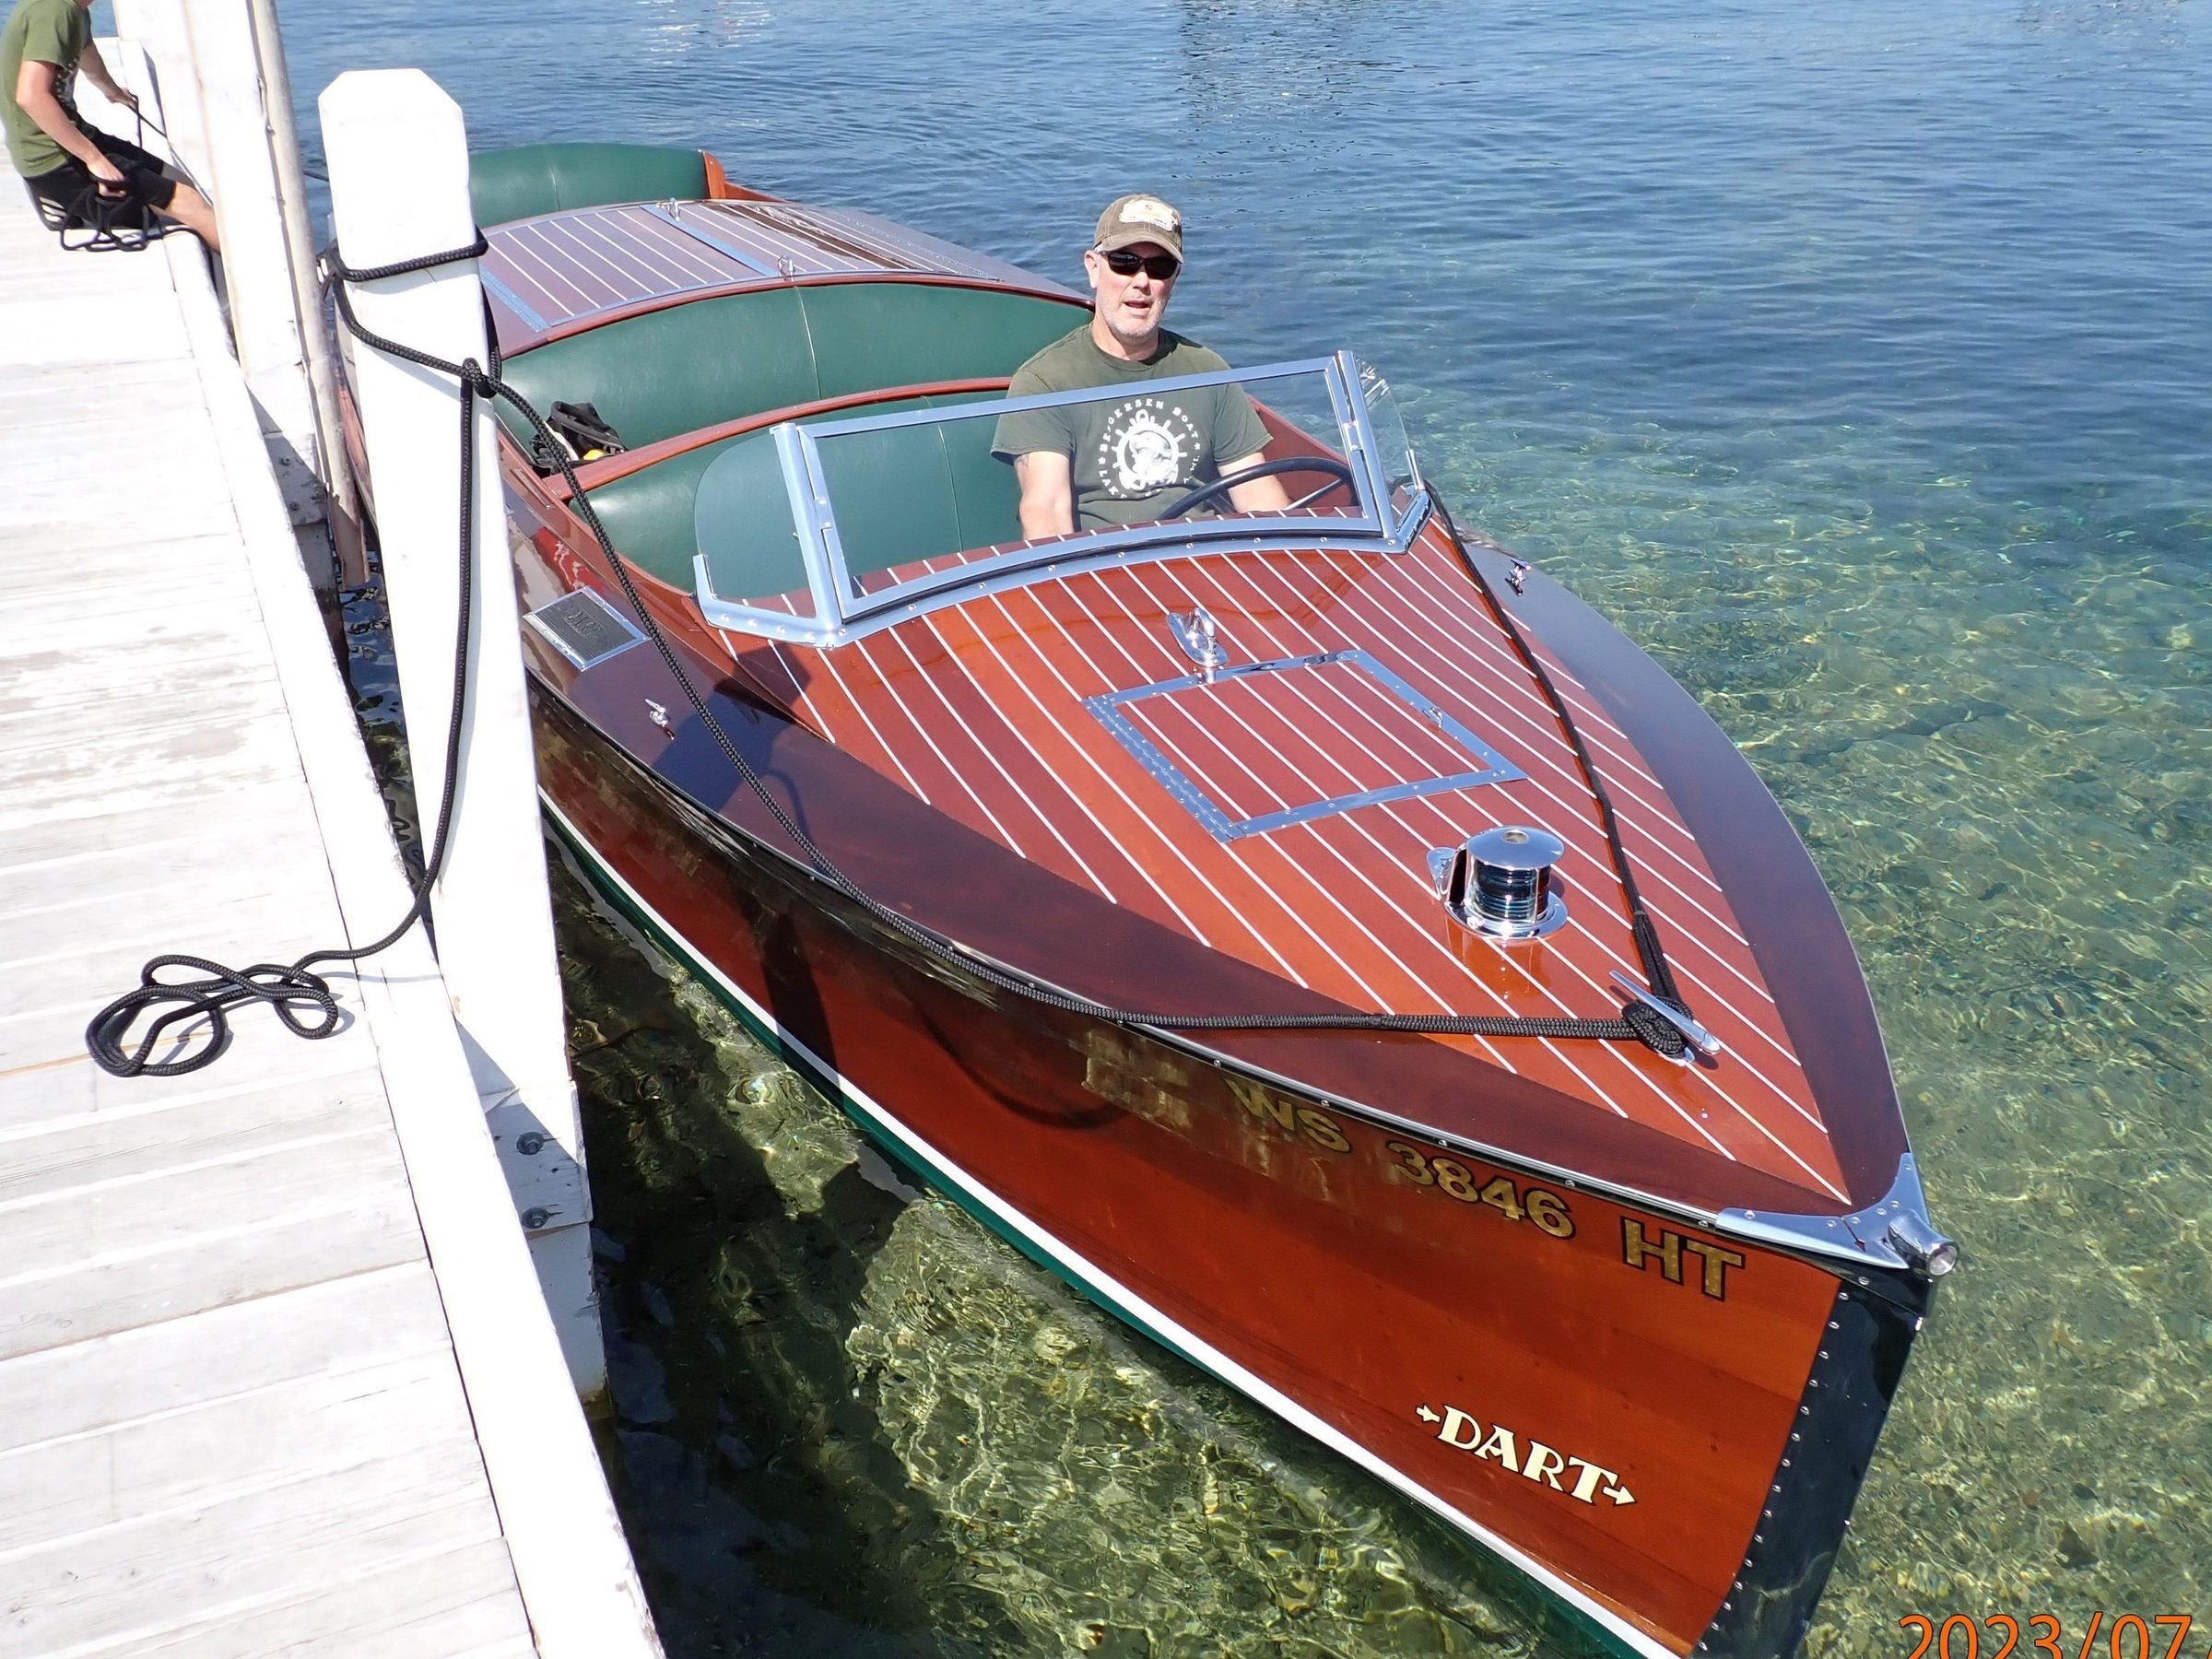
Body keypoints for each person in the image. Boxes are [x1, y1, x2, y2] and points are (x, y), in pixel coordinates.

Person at [993, 193, 1287, 537]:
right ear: (1093, 267)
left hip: (1206, 562)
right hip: (1104, 568)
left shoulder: (1209, 372)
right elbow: (1046, 509)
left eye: (1159, 267)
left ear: (1174, 280)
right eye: (1125, 261)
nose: (1142, 281)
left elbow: (1258, 493)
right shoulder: (1044, 382)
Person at [4, 0, 219, 250]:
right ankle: (259, 278)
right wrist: (94, 160)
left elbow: (88, 56)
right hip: (52, 157)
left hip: (73, 136)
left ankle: (56, 194)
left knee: (182, 184)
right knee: (186, 203)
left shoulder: (76, 9)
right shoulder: (54, 10)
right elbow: (30, 96)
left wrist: (113, 91)